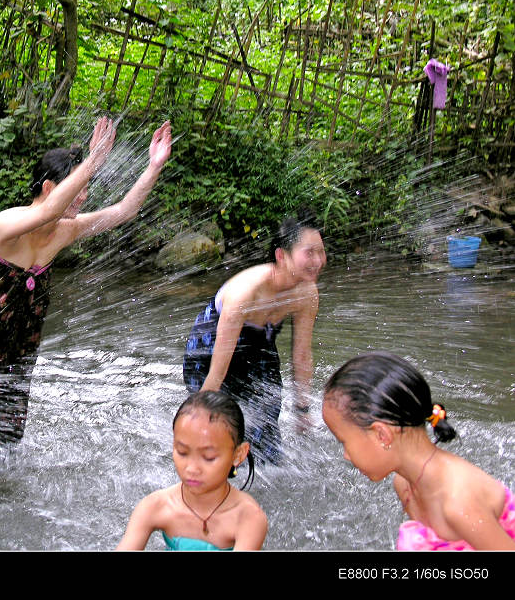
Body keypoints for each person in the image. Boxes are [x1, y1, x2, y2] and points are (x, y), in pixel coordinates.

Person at [0, 117, 172, 452]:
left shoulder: (64, 231)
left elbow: (124, 210)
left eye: (87, 186)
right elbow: (51, 210)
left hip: (14, 342)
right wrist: (94, 160)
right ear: (47, 187)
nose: (84, 196)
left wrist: (154, 166)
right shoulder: (7, 223)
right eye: (78, 186)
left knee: (2, 439)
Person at [322, 351, 515, 551]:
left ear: (382, 434)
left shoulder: (458, 502)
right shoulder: (405, 485)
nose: (345, 455)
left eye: (342, 441)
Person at [182, 208, 326, 464]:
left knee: (266, 435)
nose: (317, 260)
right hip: (210, 349)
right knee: (217, 429)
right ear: (282, 256)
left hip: (258, 348)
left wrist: (302, 409)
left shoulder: (307, 294)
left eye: (321, 252)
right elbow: (216, 373)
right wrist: (200, 415)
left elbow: (302, 354)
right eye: (309, 253)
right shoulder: (245, 293)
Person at [117, 391, 267, 551]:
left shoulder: (247, 517)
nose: (192, 468)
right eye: (182, 452)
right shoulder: (154, 507)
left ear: (238, 455)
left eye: (208, 457)